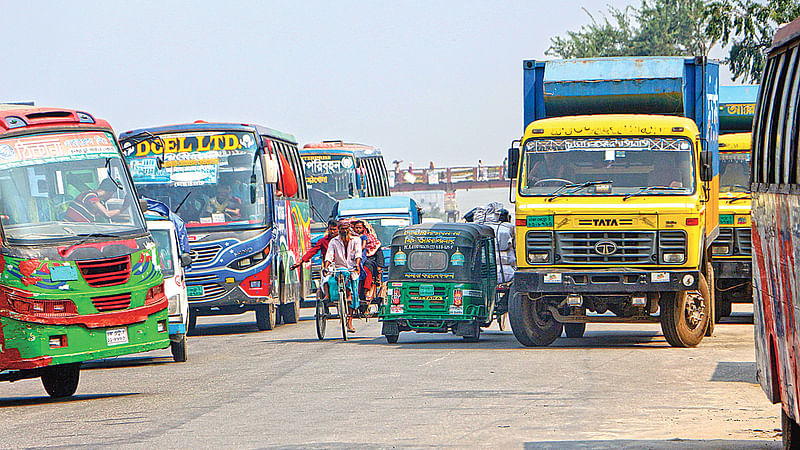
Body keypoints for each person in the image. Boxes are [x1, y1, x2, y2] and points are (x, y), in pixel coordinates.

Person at [324, 219, 362, 332]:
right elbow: (329, 255)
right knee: (328, 279)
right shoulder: (334, 241)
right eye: (342, 229)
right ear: (339, 230)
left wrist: (357, 264)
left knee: (352, 286)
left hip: (352, 267)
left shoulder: (356, 240)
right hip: (339, 267)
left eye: (346, 229)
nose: (344, 231)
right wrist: (326, 266)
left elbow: (358, 253)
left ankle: (349, 322)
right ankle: (331, 296)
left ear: (349, 228)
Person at [291, 219, 338, 299]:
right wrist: (301, 261)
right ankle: (327, 294)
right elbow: (313, 251)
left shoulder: (343, 240)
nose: (332, 232)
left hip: (342, 265)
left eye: (334, 229)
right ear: (328, 229)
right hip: (329, 266)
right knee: (326, 278)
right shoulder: (323, 241)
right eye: (330, 229)